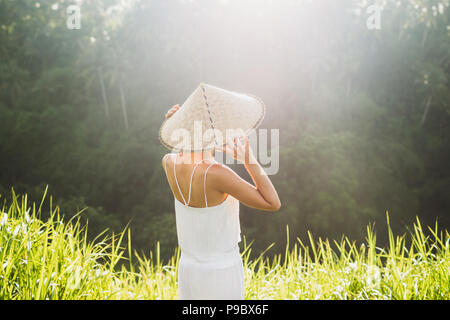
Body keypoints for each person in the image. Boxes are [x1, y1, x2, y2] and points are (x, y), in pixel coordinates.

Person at [161, 103, 281, 300]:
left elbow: (180, 150)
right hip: (220, 273)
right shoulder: (217, 174)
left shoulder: (169, 163)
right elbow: (272, 203)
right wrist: (248, 159)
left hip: (188, 270)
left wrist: (173, 123)